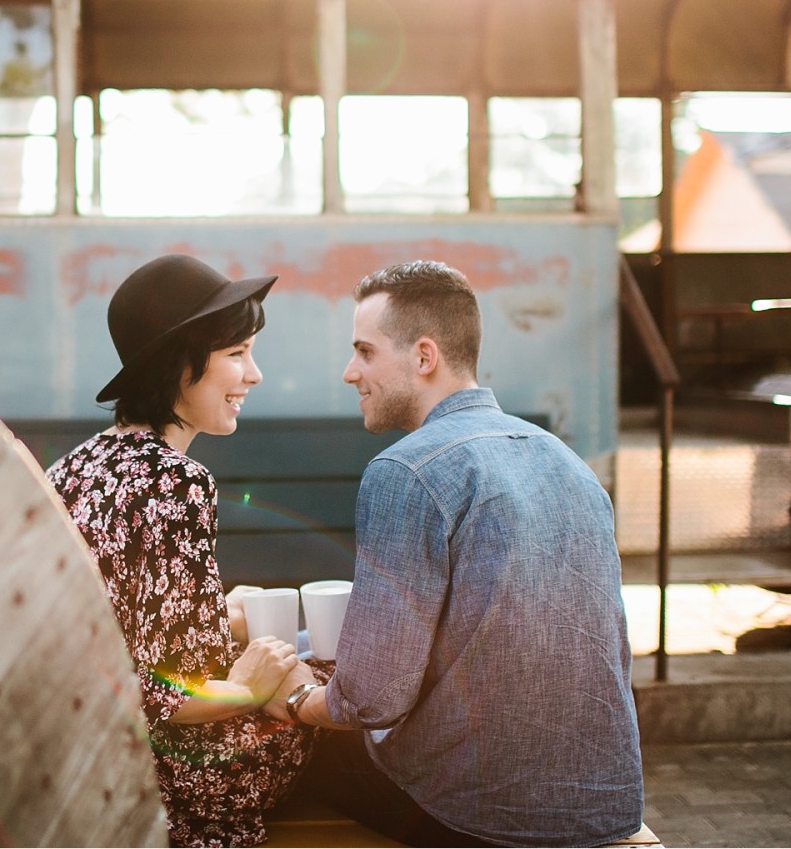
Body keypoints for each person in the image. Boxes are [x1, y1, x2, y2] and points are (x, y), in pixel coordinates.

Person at [266, 260, 645, 847]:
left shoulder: (406, 470)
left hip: (485, 818)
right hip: (603, 805)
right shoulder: (566, 461)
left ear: (424, 357)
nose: (349, 372)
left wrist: (292, 698)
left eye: (365, 352)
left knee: (284, 755)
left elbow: (373, 698)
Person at [46, 253, 322, 848]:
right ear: (179, 366)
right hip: (166, 783)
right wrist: (253, 687)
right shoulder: (175, 480)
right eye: (236, 354)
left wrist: (222, 613)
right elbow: (159, 696)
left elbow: (123, 634)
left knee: (292, 651)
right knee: (334, 678)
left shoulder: (80, 463)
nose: (254, 375)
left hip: (83, 756)